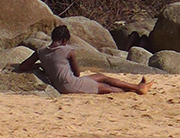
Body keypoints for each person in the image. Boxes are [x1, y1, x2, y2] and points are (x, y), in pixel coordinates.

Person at [14, 24, 153, 96]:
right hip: (71, 84)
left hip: (60, 85)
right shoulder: (68, 50)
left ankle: (136, 87)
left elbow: (23, 67)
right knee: (105, 87)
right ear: (64, 40)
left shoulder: (41, 51)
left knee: (101, 76)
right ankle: (137, 89)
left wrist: (40, 65)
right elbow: (77, 74)